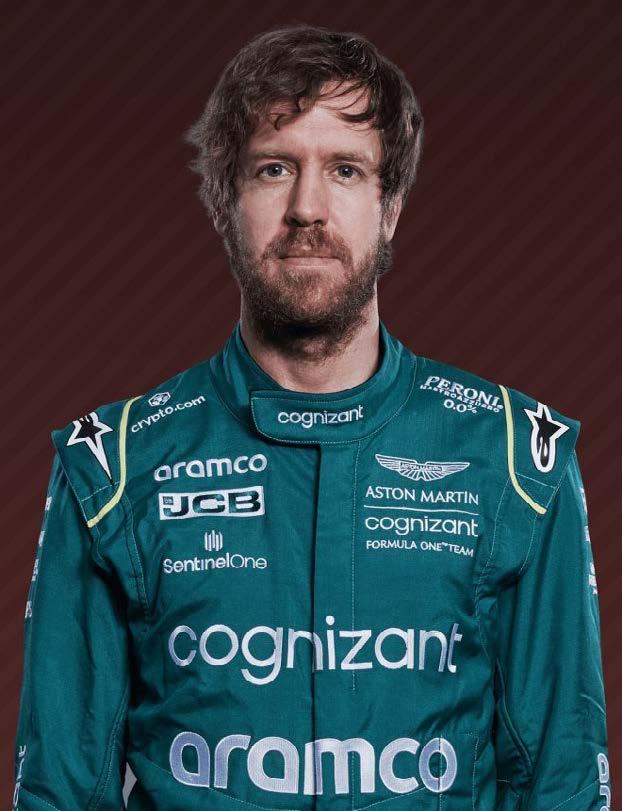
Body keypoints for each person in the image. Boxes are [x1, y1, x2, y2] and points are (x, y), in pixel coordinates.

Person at [12, 24, 611, 811]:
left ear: (390, 207)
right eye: (274, 167)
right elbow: (57, 792)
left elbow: (563, 783)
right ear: (225, 203)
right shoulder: (112, 468)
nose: (307, 208)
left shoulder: (516, 459)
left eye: (345, 169)